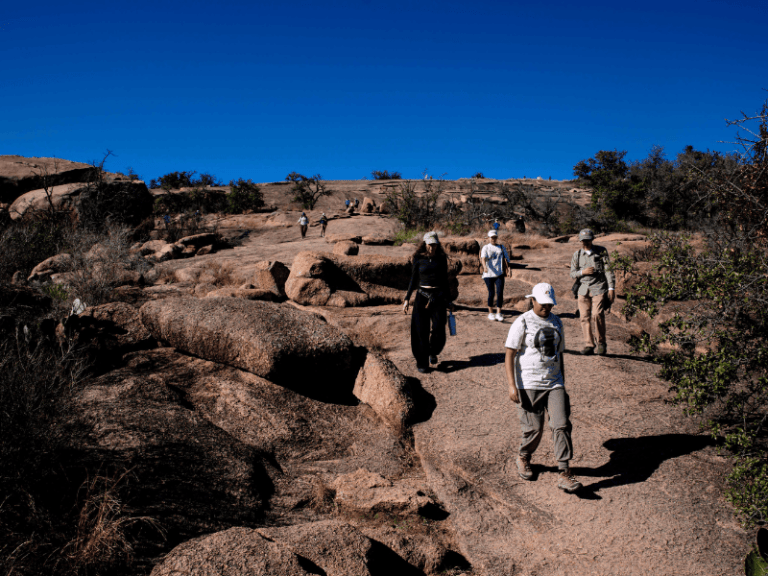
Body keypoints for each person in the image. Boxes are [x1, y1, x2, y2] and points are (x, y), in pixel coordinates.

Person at [504, 283, 582, 493]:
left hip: (554, 383)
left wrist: (562, 383)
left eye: (550, 304)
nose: (546, 307)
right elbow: (510, 353)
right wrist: (512, 386)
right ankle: (523, 456)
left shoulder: (557, 322)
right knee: (534, 429)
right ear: (533, 300)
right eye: (543, 303)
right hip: (528, 383)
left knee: (562, 425)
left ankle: (565, 473)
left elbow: (560, 353)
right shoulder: (522, 322)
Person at [403, 231, 454, 373]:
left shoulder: (441, 258)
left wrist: (449, 301)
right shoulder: (418, 258)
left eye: (435, 245)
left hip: (438, 297)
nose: (432, 248)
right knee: (420, 330)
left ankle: (433, 351)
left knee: (438, 328)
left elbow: (445, 280)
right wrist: (407, 298)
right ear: (425, 244)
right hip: (422, 296)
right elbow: (413, 279)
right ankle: (422, 361)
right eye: (430, 245)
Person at [569, 229, 615, 356]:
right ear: (580, 241)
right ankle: (589, 344)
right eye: (583, 240)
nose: (586, 242)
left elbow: (608, 271)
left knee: (597, 314)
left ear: (592, 239)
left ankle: (601, 343)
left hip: (599, 287)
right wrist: (583, 272)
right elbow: (572, 273)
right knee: (584, 317)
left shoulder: (601, 251)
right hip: (583, 289)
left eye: (588, 240)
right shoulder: (577, 255)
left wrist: (611, 288)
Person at [481, 230, 512, 321]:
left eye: (495, 237)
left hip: (499, 274)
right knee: (491, 293)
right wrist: (484, 267)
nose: (493, 239)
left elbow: (506, 259)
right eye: (492, 237)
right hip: (488, 274)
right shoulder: (486, 247)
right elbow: (483, 259)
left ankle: (499, 313)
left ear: (497, 238)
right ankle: (491, 313)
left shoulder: (501, 247)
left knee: (500, 293)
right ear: (488, 238)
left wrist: (509, 270)